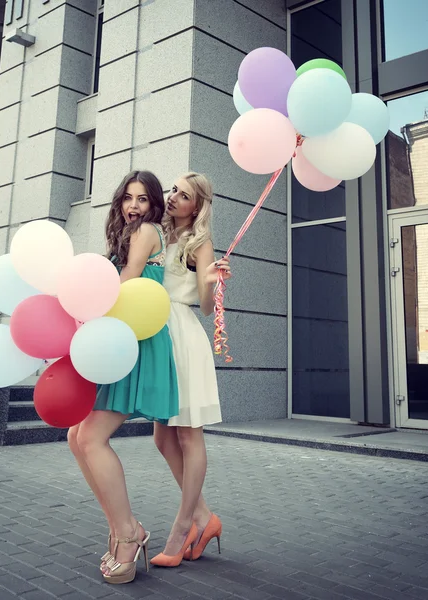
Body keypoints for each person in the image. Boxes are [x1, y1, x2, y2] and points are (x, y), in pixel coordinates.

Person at [67, 170, 179, 585]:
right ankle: (121, 527)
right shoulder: (126, 234)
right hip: (119, 338)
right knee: (76, 437)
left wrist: (89, 308)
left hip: (138, 341)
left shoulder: (147, 231)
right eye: (128, 198)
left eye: (143, 198)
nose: (134, 205)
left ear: (154, 205)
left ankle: (130, 534)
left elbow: (129, 277)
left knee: (92, 437)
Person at [150, 172, 231, 568]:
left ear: (196, 207)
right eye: (174, 190)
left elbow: (203, 305)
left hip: (182, 335)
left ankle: (184, 526)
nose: (174, 197)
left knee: (187, 434)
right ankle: (204, 516)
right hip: (158, 337)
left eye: (184, 195)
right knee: (162, 439)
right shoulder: (158, 234)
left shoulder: (200, 243)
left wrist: (212, 278)